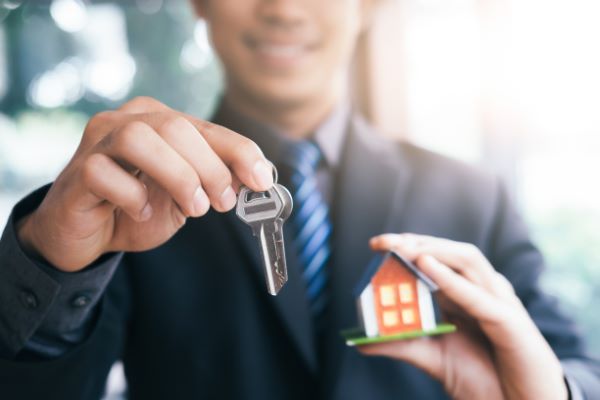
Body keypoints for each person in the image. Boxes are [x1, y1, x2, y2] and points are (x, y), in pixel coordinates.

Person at [0, 0, 598, 399]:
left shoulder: (472, 196)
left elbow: (577, 371)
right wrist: (48, 263)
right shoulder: (124, 198)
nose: (283, 9)